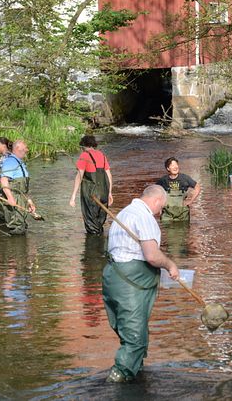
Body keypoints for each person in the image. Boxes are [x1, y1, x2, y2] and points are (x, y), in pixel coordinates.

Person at [103, 185, 180, 383]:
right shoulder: (144, 217)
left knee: (126, 332)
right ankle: (116, 382)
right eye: (161, 208)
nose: (160, 212)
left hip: (112, 278)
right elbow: (152, 256)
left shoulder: (124, 213)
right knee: (135, 338)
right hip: (131, 283)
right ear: (156, 201)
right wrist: (170, 264)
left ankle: (136, 375)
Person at [69, 135, 113, 235]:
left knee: (91, 225)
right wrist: (109, 193)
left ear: (83, 146)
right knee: (99, 223)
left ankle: (93, 248)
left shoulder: (84, 155)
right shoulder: (102, 155)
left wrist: (73, 196)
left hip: (91, 195)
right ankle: (100, 247)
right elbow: (109, 176)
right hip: (104, 193)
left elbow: (79, 176)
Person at [0, 140, 36, 235]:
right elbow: (3, 180)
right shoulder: (10, 161)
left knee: (21, 226)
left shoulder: (20, 162)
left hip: (21, 200)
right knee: (16, 228)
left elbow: (24, 188)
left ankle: (20, 249)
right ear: (18, 149)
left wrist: (29, 201)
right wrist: (10, 198)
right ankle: (14, 249)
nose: (27, 150)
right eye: (25, 148)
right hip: (14, 201)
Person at [155, 157, 201, 222]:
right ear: (168, 168)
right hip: (167, 214)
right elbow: (155, 192)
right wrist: (159, 206)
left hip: (182, 214)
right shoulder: (163, 180)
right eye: (172, 165)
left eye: (176, 165)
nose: (175, 167)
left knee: (183, 231)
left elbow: (197, 187)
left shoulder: (185, 178)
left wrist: (190, 201)